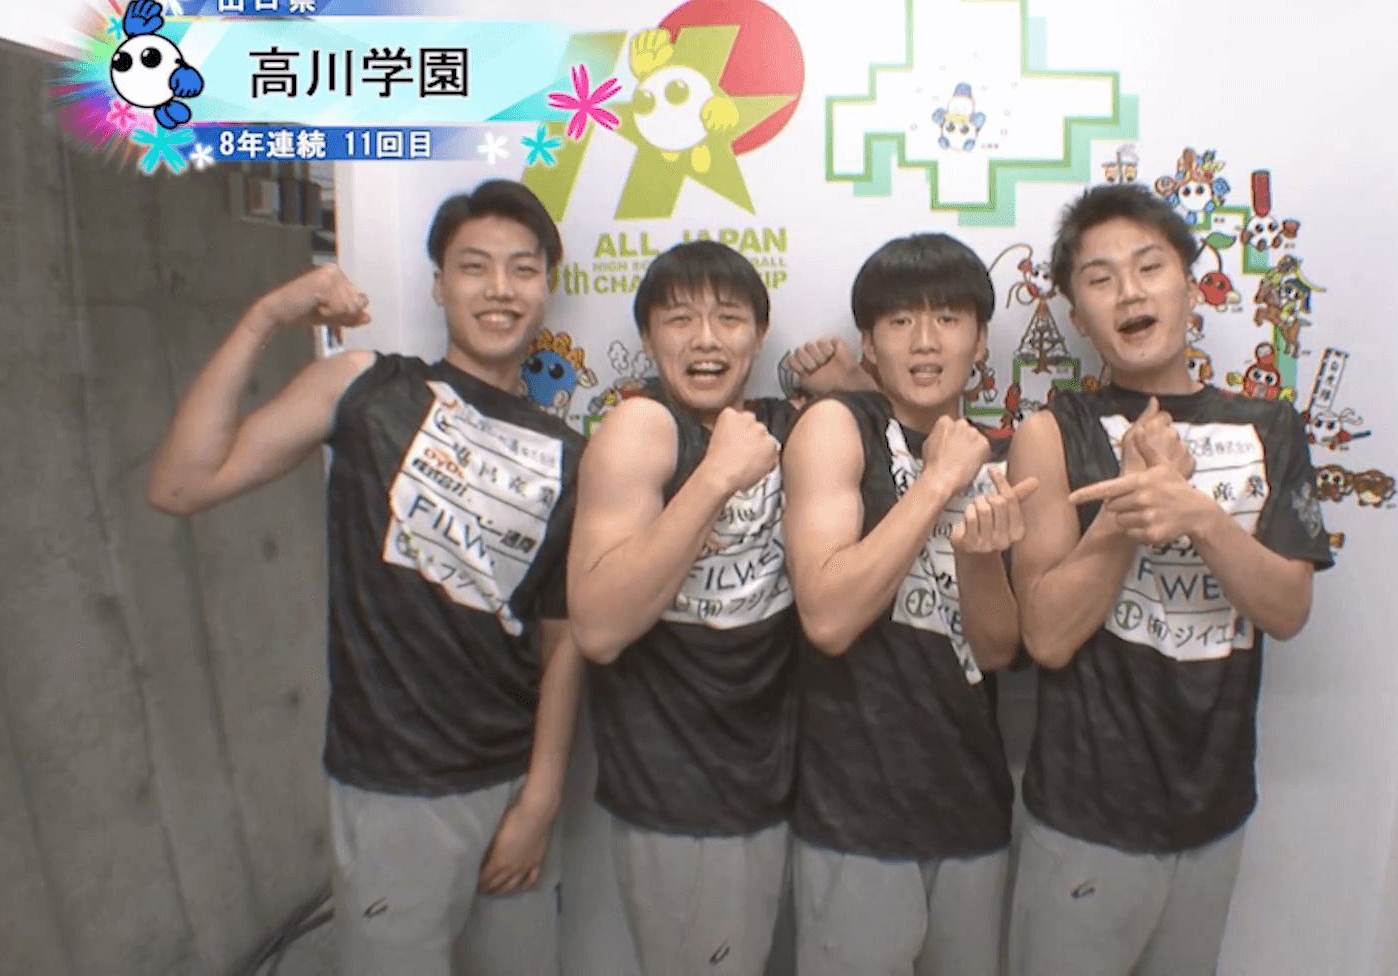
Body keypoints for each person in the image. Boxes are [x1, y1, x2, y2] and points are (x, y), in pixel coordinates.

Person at [147, 180, 585, 976]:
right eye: (474, 266)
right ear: (438, 284)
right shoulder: (366, 386)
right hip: (392, 787)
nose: (499, 288)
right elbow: (181, 483)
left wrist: (542, 798)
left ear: (545, 287)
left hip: (511, 781)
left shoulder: (568, 451)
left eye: (522, 269)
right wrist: (266, 316)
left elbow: (563, 642)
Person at [1004, 184, 1334, 976]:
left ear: (1191, 287)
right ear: (1078, 316)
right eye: (1100, 277)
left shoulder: (1270, 427)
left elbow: (1288, 609)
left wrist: (1198, 515)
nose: (1129, 291)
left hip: (1214, 808)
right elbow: (1045, 636)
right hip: (1083, 813)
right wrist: (1128, 510)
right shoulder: (1052, 433)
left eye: (1149, 267)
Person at [562, 241, 871, 976]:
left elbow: (899, 438)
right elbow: (597, 628)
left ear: (758, 337)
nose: (706, 338)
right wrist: (715, 478)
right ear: (647, 339)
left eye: (729, 319)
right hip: (683, 790)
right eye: (680, 320)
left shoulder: (783, 424)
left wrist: (849, 383)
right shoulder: (641, 427)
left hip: (783, 781)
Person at [781, 233, 1031, 976]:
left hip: (973, 808)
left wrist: (979, 560)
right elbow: (828, 618)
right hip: (857, 814)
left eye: (948, 319)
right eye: (899, 321)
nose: (925, 341)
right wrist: (937, 482)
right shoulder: (837, 426)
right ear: (870, 342)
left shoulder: (999, 457)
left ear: (980, 340)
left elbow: (997, 652)